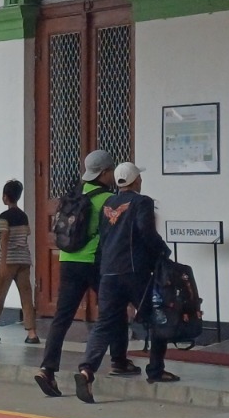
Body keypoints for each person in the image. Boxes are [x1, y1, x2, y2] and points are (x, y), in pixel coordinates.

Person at [34, 150, 139, 397]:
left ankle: (47, 369)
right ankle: (119, 360)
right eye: (111, 171)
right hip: (95, 261)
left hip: (68, 259)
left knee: (62, 317)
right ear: (105, 173)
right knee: (114, 309)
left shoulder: (73, 193)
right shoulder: (107, 200)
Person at [73, 162, 173, 403]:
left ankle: (86, 370)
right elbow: (146, 232)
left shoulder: (108, 204)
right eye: (139, 177)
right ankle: (156, 369)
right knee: (157, 317)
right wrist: (163, 252)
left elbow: (105, 237)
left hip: (108, 273)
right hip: (134, 272)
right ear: (136, 180)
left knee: (105, 323)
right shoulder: (142, 202)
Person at [0, 179, 38, 345]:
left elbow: (4, 238)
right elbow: (26, 234)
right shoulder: (23, 216)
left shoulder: (4, 216)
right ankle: (32, 333)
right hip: (24, 260)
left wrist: (2, 262)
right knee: (26, 296)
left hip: (8, 260)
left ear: (5, 197)